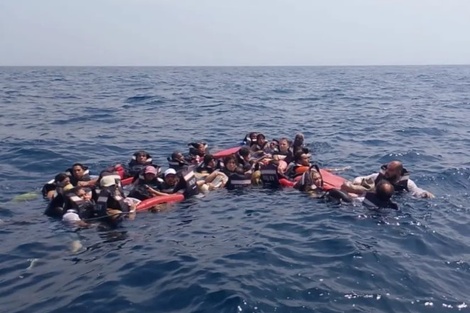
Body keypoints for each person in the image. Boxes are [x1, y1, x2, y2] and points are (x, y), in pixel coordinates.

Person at [347, 161, 434, 198]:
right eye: (387, 169)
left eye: (391, 170)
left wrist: (424, 193)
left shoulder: (408, 183)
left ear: (399, 173)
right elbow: (362, 178)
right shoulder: (378, 176)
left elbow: (416, 190)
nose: (387, 172)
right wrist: (357, 181)